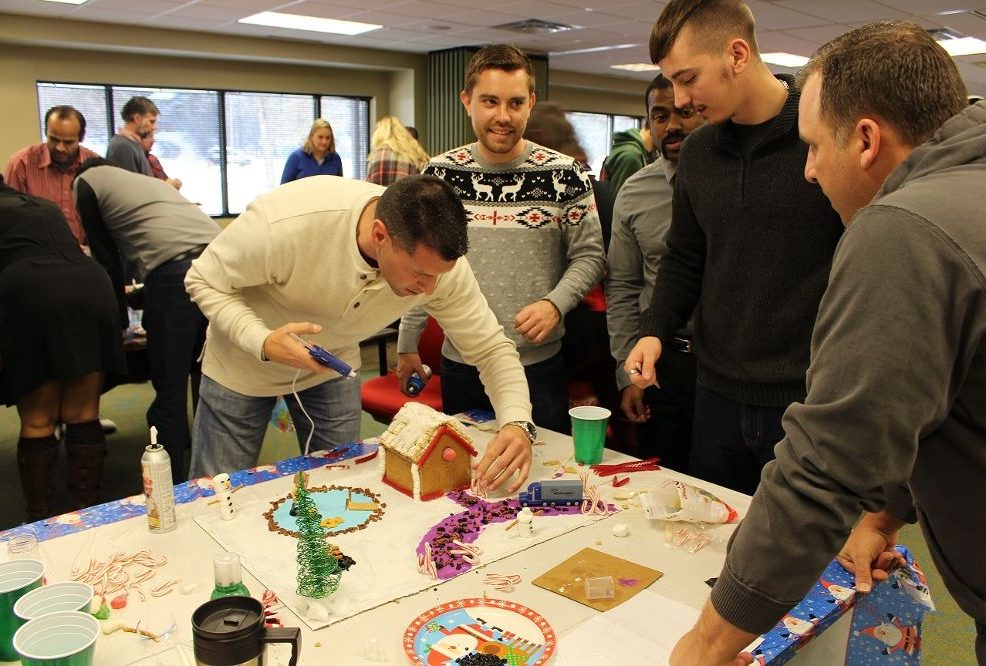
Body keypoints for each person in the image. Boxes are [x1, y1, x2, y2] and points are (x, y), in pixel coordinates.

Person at [665, 21, 985, 665]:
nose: (808, 172)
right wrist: (882, 518)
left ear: (866, 139)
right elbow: (928, 397)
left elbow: (828, 467)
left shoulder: (904, 227)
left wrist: (704, 648)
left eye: (813, 147)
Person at [184, 174, 536, 492]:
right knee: (215, 493)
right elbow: (202, 278)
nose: (430, 290)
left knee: (337, 486)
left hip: (332, 365)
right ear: (380, 235)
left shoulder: (437, 268)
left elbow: (490, 348)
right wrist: (260, 339)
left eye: (437, 277)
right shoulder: (287, 223)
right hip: (241, 364)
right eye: (419, 275)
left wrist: (518, 422)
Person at [626, 0, 844, 494]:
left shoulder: (821, 139)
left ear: (738, 55)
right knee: (712, 548)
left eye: (688, 78)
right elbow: (685, 256)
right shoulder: (700, 153)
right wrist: (655, 330)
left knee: (800, 555)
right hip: (716, 394)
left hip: (804, 400)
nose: (680, 101)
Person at [399, 45, 605, 435]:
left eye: (514, 103)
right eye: (489, 101)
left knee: (542, 479)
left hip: (538, 367)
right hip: (461, 363)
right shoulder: (438, 175)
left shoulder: (566, 175)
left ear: (530, 103)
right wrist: (408, 341)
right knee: (464, 483)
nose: (502, 116)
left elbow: (590, 256)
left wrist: (555, 304)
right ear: (467, 101)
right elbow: (419, 264)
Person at [74, 158, 221, 483]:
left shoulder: (85, 183)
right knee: (205, 377)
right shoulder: (145, 184)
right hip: (219, 262)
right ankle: (208, 476)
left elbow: (107, 258)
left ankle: (171, 487)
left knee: (168, 387)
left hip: (175, 275)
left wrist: (115, 323)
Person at [0, 177, 126, 521]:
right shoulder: (41, 205)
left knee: (39, 420)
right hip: (90, 283)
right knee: (83, 411)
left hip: (28, 288)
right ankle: (85, 517)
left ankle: (40, 520)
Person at [606, 73, 703, 469]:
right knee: (663, 485)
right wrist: (626, 371)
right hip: (663, 365)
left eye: (684, 113)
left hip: (725, 368)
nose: (672, 125)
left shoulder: (732, 186)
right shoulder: (634, 192)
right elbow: (624, 287)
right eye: (660, 116)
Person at [4, 106, 99, 246]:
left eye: (68, 142)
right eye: (54, 139)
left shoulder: (95, 166)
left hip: (83, 255)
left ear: (81, 137)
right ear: (45, 132)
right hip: (36, 254)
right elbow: (9, 219)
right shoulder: (21, 164)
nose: (60, 147)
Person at [599, 75, 664, 195]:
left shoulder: (649, 153)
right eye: (661, 120)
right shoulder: (631, 156)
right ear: (651, 123)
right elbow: (622, 199)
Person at [365, 116, 430, 186]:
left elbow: (370, 189)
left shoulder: (377, 155)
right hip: (408, 196)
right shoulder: (414, 154)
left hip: (384, 196)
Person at [107, 96, 159, 176]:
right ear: (137, 118)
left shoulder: (132, 144)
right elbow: (131, 186)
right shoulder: (123, 146)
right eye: (151, 121)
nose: (154, 127)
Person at [280, 119, 343, 184]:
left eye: (328, 138)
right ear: (311, 136)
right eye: (320, 137)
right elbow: (284, 188)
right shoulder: (296, 157)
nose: (324, 142)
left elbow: (340, 186)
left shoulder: (335, 158)